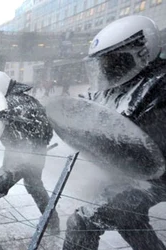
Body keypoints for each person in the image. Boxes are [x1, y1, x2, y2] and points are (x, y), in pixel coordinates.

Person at [63, 15, 166, 250]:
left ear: (141, 51)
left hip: (157, 177)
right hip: (134, 173)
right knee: (129, 218)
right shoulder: (118, 85)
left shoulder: (159, 85)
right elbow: (91, 110)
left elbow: (140, 135)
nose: (107, 70)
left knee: (82, 223)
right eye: (102, 64)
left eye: (113, 61)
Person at [0, 71, 59, 237]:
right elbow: (48, 131)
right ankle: (53, 223)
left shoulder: (9, 103)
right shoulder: (30, 100)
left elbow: (9, 134)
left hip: (19, 160)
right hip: (37, 156)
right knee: (35, 186)